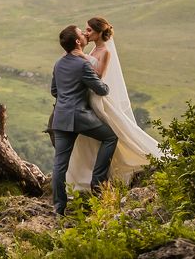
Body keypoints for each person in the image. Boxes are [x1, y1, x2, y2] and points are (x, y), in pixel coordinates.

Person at [66, 17, 161, 190]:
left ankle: (103, 176)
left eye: (89, 30)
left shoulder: (105, 51)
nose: (87, 33)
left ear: (99, 32)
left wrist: (82, 58)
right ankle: (88, 178)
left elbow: (99, 76)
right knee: (94, 138)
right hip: (88, 98)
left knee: (115, 132)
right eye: (85, 30)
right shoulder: (95, 49)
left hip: (97, 99)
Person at [50, 25, 118, 216]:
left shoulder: (58, 63)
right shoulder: (82, 64)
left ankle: (59, 207)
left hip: (61, 118)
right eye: (82, 33)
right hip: (80, 116)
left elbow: (54, 91)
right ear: (78, 42)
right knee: (110, 138)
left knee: (59, 165)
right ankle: (97, 182)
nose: (85, 34)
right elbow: (101, 90)